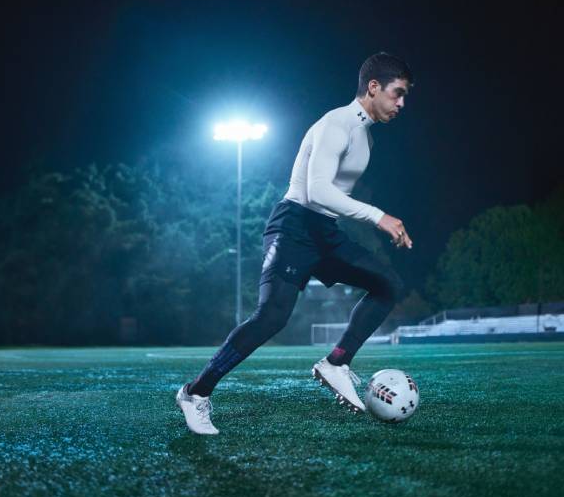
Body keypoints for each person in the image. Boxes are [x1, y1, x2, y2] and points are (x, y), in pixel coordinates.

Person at [176, 52, 414, 435]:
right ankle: (195, 393)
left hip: (325, 231)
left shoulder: (366, 137)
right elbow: (317, 191)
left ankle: (337, 362)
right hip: (293, 228)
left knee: (387, 284)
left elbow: (330, 202)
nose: (401, 104)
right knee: (271, 317)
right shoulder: (336, 124)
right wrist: (378, 216)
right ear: (373, 87)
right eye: (397, 93)